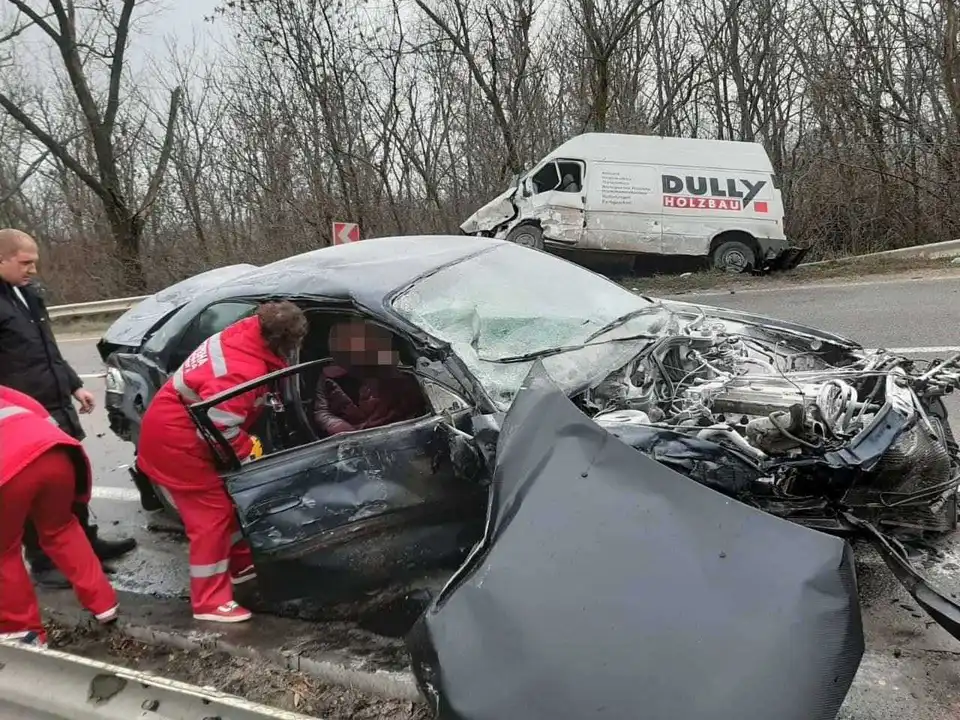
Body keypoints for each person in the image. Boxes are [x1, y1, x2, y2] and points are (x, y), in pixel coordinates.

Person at [136, 300, 308, 623]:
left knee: (228, 506)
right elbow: (219, 427)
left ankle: (240, 566)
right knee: (211, 517)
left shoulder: (243, 335)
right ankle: (209, 601)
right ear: (280, 342)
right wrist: (247, 450)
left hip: (177, 428)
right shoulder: (241, 370)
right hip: (178, 443)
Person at [0, 228, 137, 589]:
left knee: (71, 479)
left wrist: (74, 385)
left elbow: (48, 350)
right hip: (23, 418)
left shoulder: (28, 295)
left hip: (56, 406)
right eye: (25, 262)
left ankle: (85, 543)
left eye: (34, 262)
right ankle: (45, 562)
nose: (32, 269)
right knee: (37, 490)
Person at [0, 385, 119, 647]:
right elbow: (42, 414)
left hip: (8, 467)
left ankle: (22, 633)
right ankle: (104, 604)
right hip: (53, 452)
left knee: (3, 553)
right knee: (62, 529)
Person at [314, 318, 427, 436]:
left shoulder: (390, 366)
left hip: (394, 431)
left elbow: (413, 400)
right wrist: (337, 425)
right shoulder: (329, 376)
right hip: (352, 437)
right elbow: (321, 411)